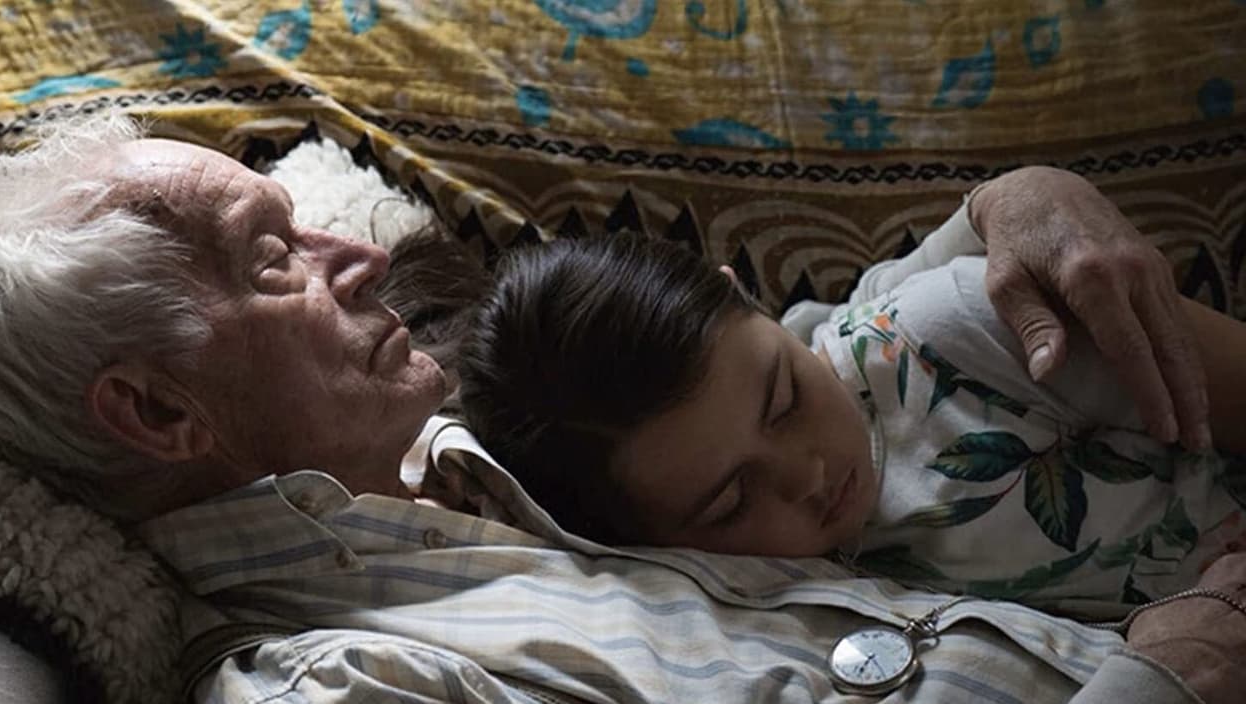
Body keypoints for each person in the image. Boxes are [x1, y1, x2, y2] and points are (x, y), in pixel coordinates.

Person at [0, 114, 1240, 704]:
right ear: (155, 408)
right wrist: (1165, 686)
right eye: (270, 259)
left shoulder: (490, 451)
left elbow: (836, 359)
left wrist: (1016, 197)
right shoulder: (323, 693)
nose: (357, 255)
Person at [458, 220, 1246, 613]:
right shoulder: (743, 597)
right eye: (731, 500)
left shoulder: (954, 331)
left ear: (744, 296)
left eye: (784, 399)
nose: (809, 473)